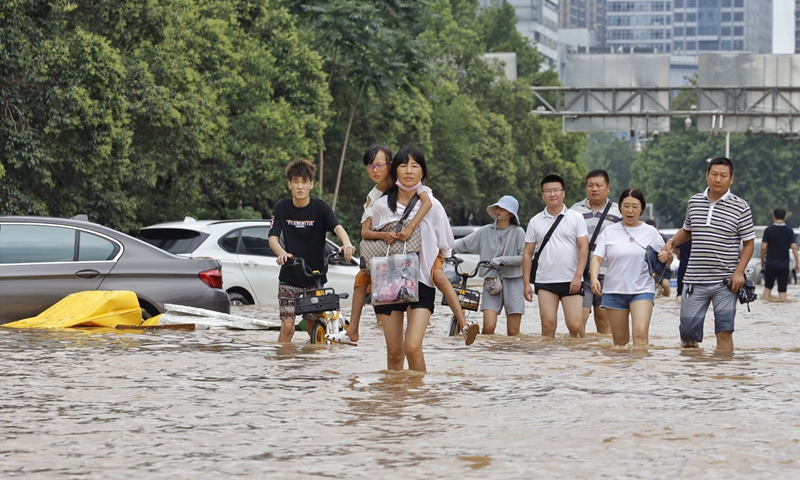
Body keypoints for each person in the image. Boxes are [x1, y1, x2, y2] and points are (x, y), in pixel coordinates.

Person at [328, 146, 475, 346]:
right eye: (370, 166)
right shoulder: (376, 197)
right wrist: (383, 234)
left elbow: (428, 206)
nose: (375, 170)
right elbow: (365, 231)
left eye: (380, 165)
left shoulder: (419, 190)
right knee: (362, 278)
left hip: (422, 259)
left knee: (438, 277)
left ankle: (463, 322)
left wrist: (416, 231)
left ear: (390, 165)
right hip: (393, 261)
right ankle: (353, 328)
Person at [369, 146, 456, 371]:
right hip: (388, 282)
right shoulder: (379, 207)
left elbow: (446, 245)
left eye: (415, 166)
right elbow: (369, 242)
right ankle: (396, 399)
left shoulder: (433, 206)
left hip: (422, 281)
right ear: (394, 170)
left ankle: (419, 400)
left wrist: (435, 266)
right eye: (403, 165)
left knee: (412, 346)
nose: (409, 171)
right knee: (395, 353)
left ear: (422, 172)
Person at [658, 157, 755, 351]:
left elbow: (749, 243)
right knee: (687, 335)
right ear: (707, 176)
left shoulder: (741, 206)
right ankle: (695, 377)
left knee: (724, 331)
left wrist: (739, 272)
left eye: (723, 176)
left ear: (731, 179)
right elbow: (688, 230)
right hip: (694, 280)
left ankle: (722, 376)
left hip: (725, 282)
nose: (718, 179)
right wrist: (671, 242)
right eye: (714, 174)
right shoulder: (694, 202)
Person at [268, 159, 356, 343]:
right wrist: (282, 254)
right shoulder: (281, 208)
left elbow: (337, 228)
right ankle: (284, 366)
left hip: (314, 280)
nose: (300, 186)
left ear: (311, 184)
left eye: (304, 182)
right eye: (296, 182)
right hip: (289, 278)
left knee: (314, 327)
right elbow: (273, 238)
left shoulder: (321, 208)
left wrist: (346, 243)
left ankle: (313, 367)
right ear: (289, 184)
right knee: (288, 327)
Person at [590, 188, 664, 346]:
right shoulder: (609, 232)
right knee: (620, 343)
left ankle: (642, 370)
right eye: (626, 205)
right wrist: (594, 278)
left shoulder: (651, 232)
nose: (630, 210)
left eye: (635, 206)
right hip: (614, 290)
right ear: (620, 208)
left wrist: (667, 257)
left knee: (640, 334)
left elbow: (664, 259)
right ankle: (624, 370)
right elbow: (596, 258)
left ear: (642, 208)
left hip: (642, 290)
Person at [523, 174, 589, 338]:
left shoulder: (576, 218)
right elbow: (527, 254)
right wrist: (526, 284)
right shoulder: (535, 221)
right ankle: (548, 362)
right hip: (545, 280)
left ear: (563, 193)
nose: (552, 194)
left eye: (556, 190)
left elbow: (584, 247)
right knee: (547, 325)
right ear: (542, 194)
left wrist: (578, 276)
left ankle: (578, 359)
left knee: (575, 325)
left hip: (571, 280)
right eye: (548, 191)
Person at [452, 196, 526, 336]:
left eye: (503, 208)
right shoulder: (485, 231)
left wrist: (501, 260)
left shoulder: (519, 232)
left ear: (511, 214)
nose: (499, 210)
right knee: (488, 328)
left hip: (514, 282)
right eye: (497, 207)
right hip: (491, 282)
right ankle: (488, 357)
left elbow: (523, 258)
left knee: (513, 332)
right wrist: (445, 249)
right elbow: (463, 243)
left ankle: (511, 357)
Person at [570, 169, 621, 335]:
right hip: (581, 274)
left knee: (604, 320)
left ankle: (600, 360)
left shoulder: (618, 211)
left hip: (609, 274)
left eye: (599, 185)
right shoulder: (574, 211)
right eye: (590, 185)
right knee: (578, 323)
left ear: (608, 188)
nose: (594, 189)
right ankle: (578, 358)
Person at [761, 208, 800, 302]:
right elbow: (794, 247)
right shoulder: (789, 231)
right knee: (783, 293)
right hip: (784, 265)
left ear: (773, 217)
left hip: (770, 264)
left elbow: (763, 247)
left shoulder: (768, 230)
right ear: (785, 218)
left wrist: (762, 260)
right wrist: (797, 262)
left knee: (767, 291)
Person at [645, 219, 671, 297]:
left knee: (665, 285)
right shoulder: (643, 238)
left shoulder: (663, 238)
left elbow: (670, 255)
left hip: (664, 268)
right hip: (651, 270)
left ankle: (665, 295)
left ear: (656, 228)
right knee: (655, 290)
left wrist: (666, 266)